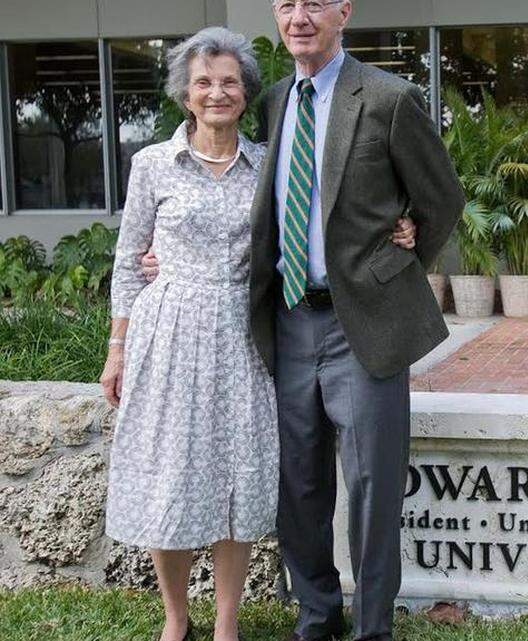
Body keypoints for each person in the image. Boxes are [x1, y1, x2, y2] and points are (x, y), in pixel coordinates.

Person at [250, 2, 463, 640]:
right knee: (299, 485)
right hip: (288, 318)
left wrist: (404, 250)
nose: (299, 17)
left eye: (314, 3)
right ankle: (316, 617)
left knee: (371, 488)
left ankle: (373, 628)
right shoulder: (271, 100)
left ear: (343, 12)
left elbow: (441, 197)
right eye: (286, 4)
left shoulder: (389, 98)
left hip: (361, 324)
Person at [100, 27, 274, 641]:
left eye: (229, 81)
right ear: (185, 93)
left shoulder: (267, 165)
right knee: (168, 476)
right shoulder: (152, 164)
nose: (216, 92)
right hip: (167, 333)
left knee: (237, 478)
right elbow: (128, 260)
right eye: (204, 81)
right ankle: (177, 619)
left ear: (246, 92)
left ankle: (226, 622)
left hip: (243, 336)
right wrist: (116, 349)